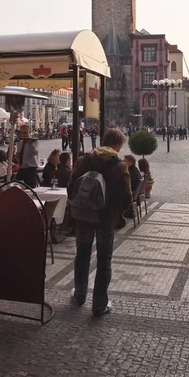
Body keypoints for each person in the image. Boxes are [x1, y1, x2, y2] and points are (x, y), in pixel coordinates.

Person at [68, 128, 132, 316]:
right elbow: (127, 197)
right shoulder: (120, 166)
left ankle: (79, 294)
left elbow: (71, 187)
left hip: (84, 218)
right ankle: (99, 304)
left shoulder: (83, 160)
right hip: (106, 221)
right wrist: (114, 213)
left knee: (82, 255)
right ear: (118, 145)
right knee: (104, 261)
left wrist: (81, 205)